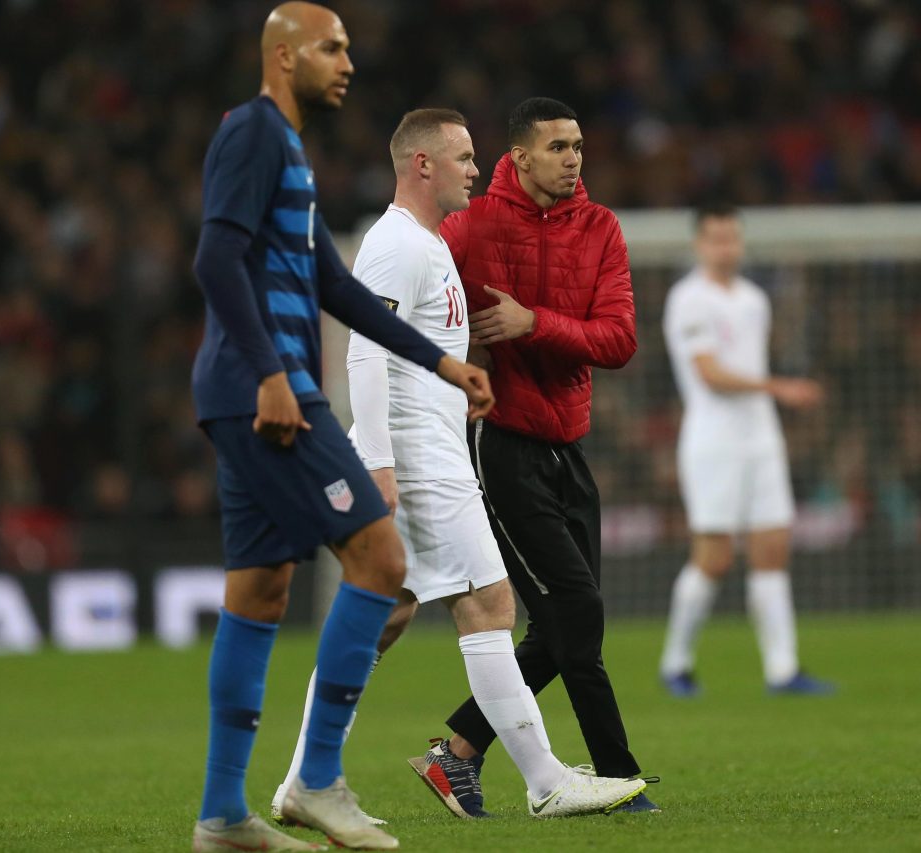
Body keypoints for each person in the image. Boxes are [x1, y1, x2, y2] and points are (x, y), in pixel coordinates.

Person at [270, 109, 647, 824]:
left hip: (429, 441)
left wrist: (460, 378)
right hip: (415, 458)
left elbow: (409, 343)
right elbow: (364, 354)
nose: (477, 170)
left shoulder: (428, 242)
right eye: (465, 157)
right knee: (490, 603)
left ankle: (302, 781)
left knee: (385, 615)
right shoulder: (396, 246)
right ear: (422, 165)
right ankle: (544, 780)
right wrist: (380, 460)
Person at [189, 5, 494, 852]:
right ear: (284, 56)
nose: (347, 60)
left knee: (258, 593)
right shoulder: (253, 133)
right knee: (382, 558)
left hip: (246, 390)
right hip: (270, 394)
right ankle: (317, 779)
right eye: (331, 47)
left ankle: (222, 816)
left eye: (348, 46)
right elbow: (214, 259)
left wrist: (441, 363)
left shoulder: (287, 152)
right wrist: (273, 374)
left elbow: (338, 287)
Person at [409, 96, 659, 815]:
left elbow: (619, 340)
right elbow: (418, 304)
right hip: (501, 442)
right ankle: (619, 777)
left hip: (568, 445)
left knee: (563, 625)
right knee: (575, 612)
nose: (573, 157)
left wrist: (531, 322)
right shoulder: (469, 227)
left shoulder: (601, 228)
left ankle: (456, 753)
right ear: (518, 157)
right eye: (557, 146)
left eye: (577, 144)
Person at [659, 204, 835, 698]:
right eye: (716, 239)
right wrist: (779, 388)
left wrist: (771, 396)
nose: (726, 248)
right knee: (714, 558)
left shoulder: (755, 299)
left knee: (772, 551)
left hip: (761, 439)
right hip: (713, 442)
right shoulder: (688, 299)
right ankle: (676, 663)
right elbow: (710, 374)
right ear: (700, 243)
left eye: (732, 238)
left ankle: (783, 671)